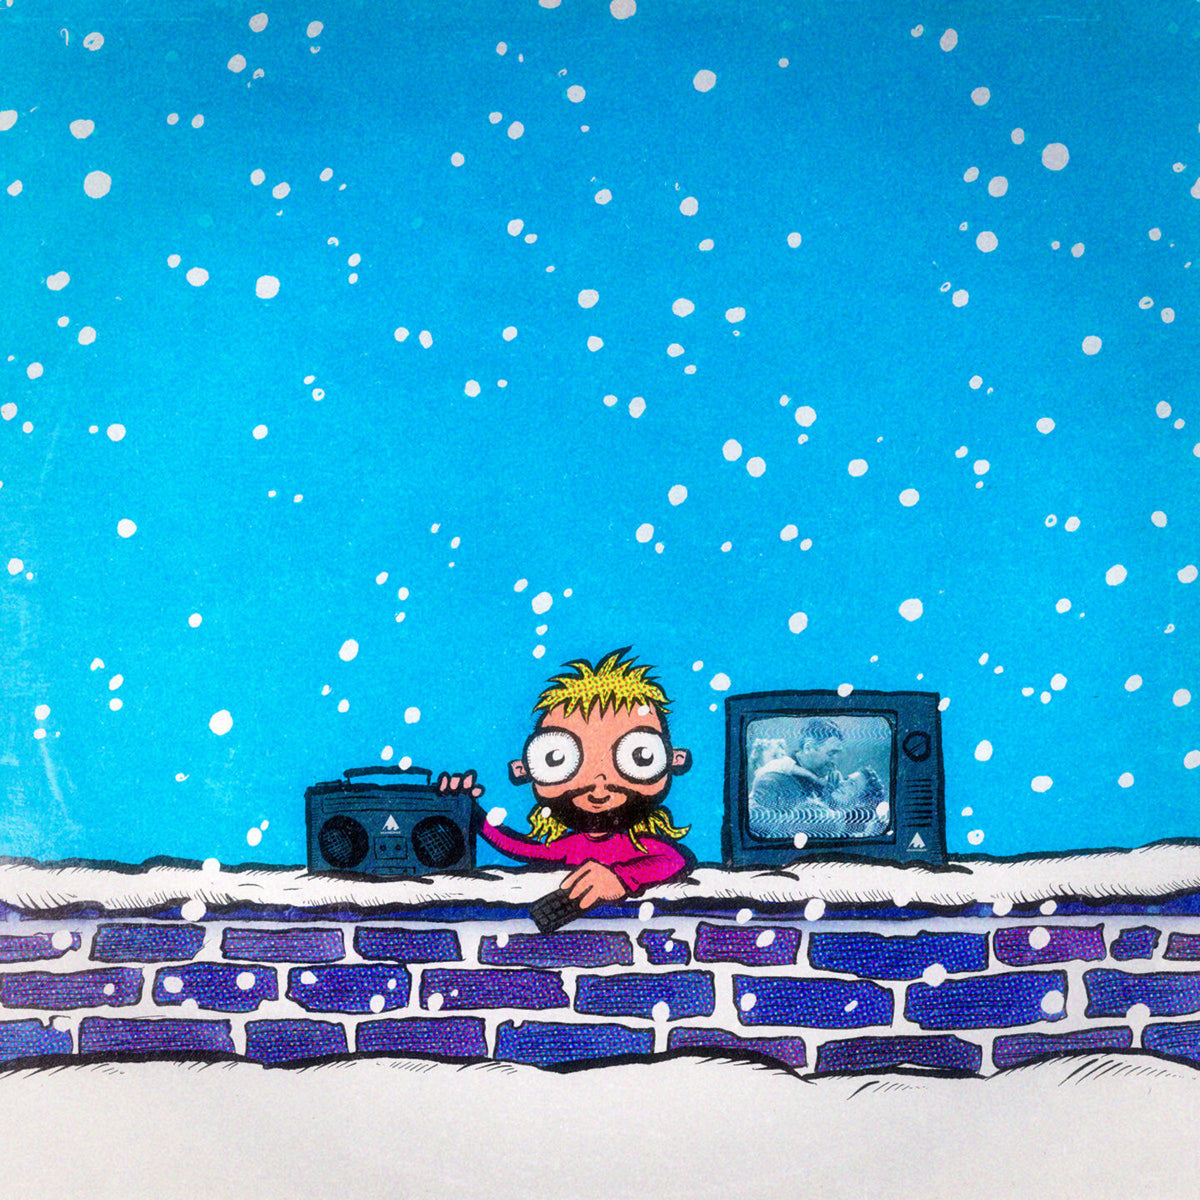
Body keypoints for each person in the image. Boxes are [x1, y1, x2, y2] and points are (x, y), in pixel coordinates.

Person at [437, 648, 692, 909]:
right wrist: (468, 809)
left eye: (640, 755)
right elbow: (518, 847)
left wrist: (621, 879)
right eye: (557, 758)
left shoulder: (639, 845)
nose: (598, 783)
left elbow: (673, 860)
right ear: (524, 769)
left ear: (673, 759)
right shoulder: (571, 846)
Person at [749, 718, 845, 817]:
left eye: (838, 754)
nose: (835, 762)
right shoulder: (772, 782)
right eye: (831, 754)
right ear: (808, 748)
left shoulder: (831, 781)